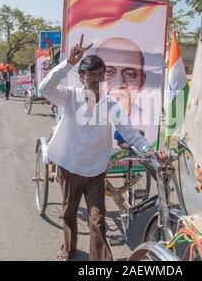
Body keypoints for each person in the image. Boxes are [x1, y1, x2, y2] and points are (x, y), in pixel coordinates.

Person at [39, 35, 168, 262]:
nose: (98, 80)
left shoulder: (110, 105)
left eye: (102, 75)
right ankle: (67, 249)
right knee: (68, 213)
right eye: (93, 75)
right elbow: (44, 88)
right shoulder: (69, 96)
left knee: (97, 220)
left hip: (96, 171)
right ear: (82, 77)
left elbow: (130, 134)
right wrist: (68, 62)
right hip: (70, 168)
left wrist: (152, 155)